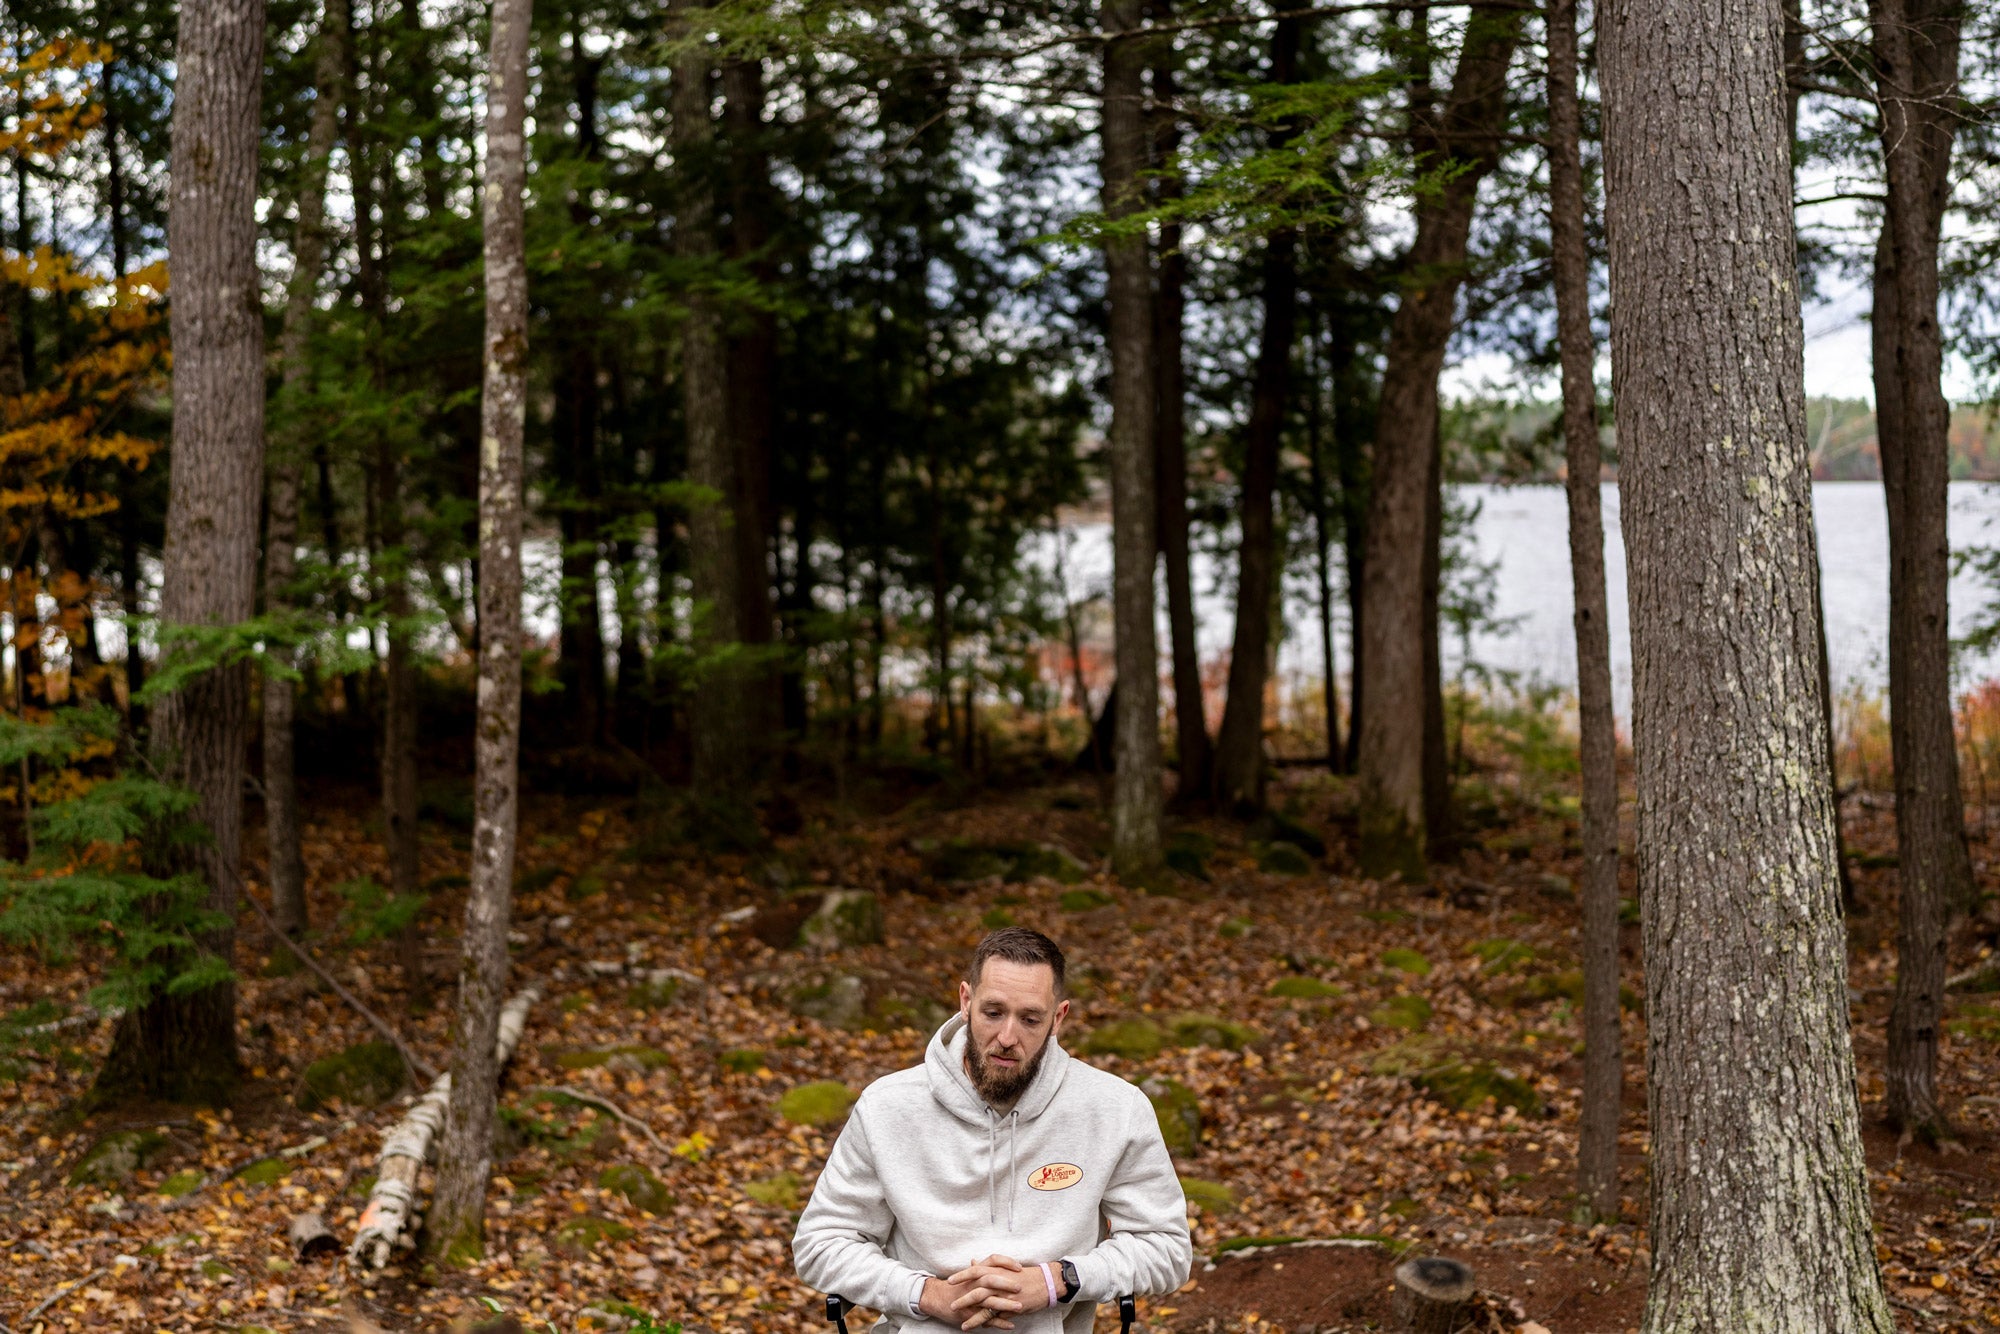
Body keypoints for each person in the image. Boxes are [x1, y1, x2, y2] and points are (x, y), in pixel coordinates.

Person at [793, 927, 1192, 1331]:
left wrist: (1057, 1281)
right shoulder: (887, 1106)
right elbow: (821, 1243)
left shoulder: (1115, 1108)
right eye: (993, 1013)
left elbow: (1167, 1248)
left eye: (1030, 1019)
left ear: (1058, 1018)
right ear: (966, 1001)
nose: (1007, 1037)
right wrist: (927, 1294)